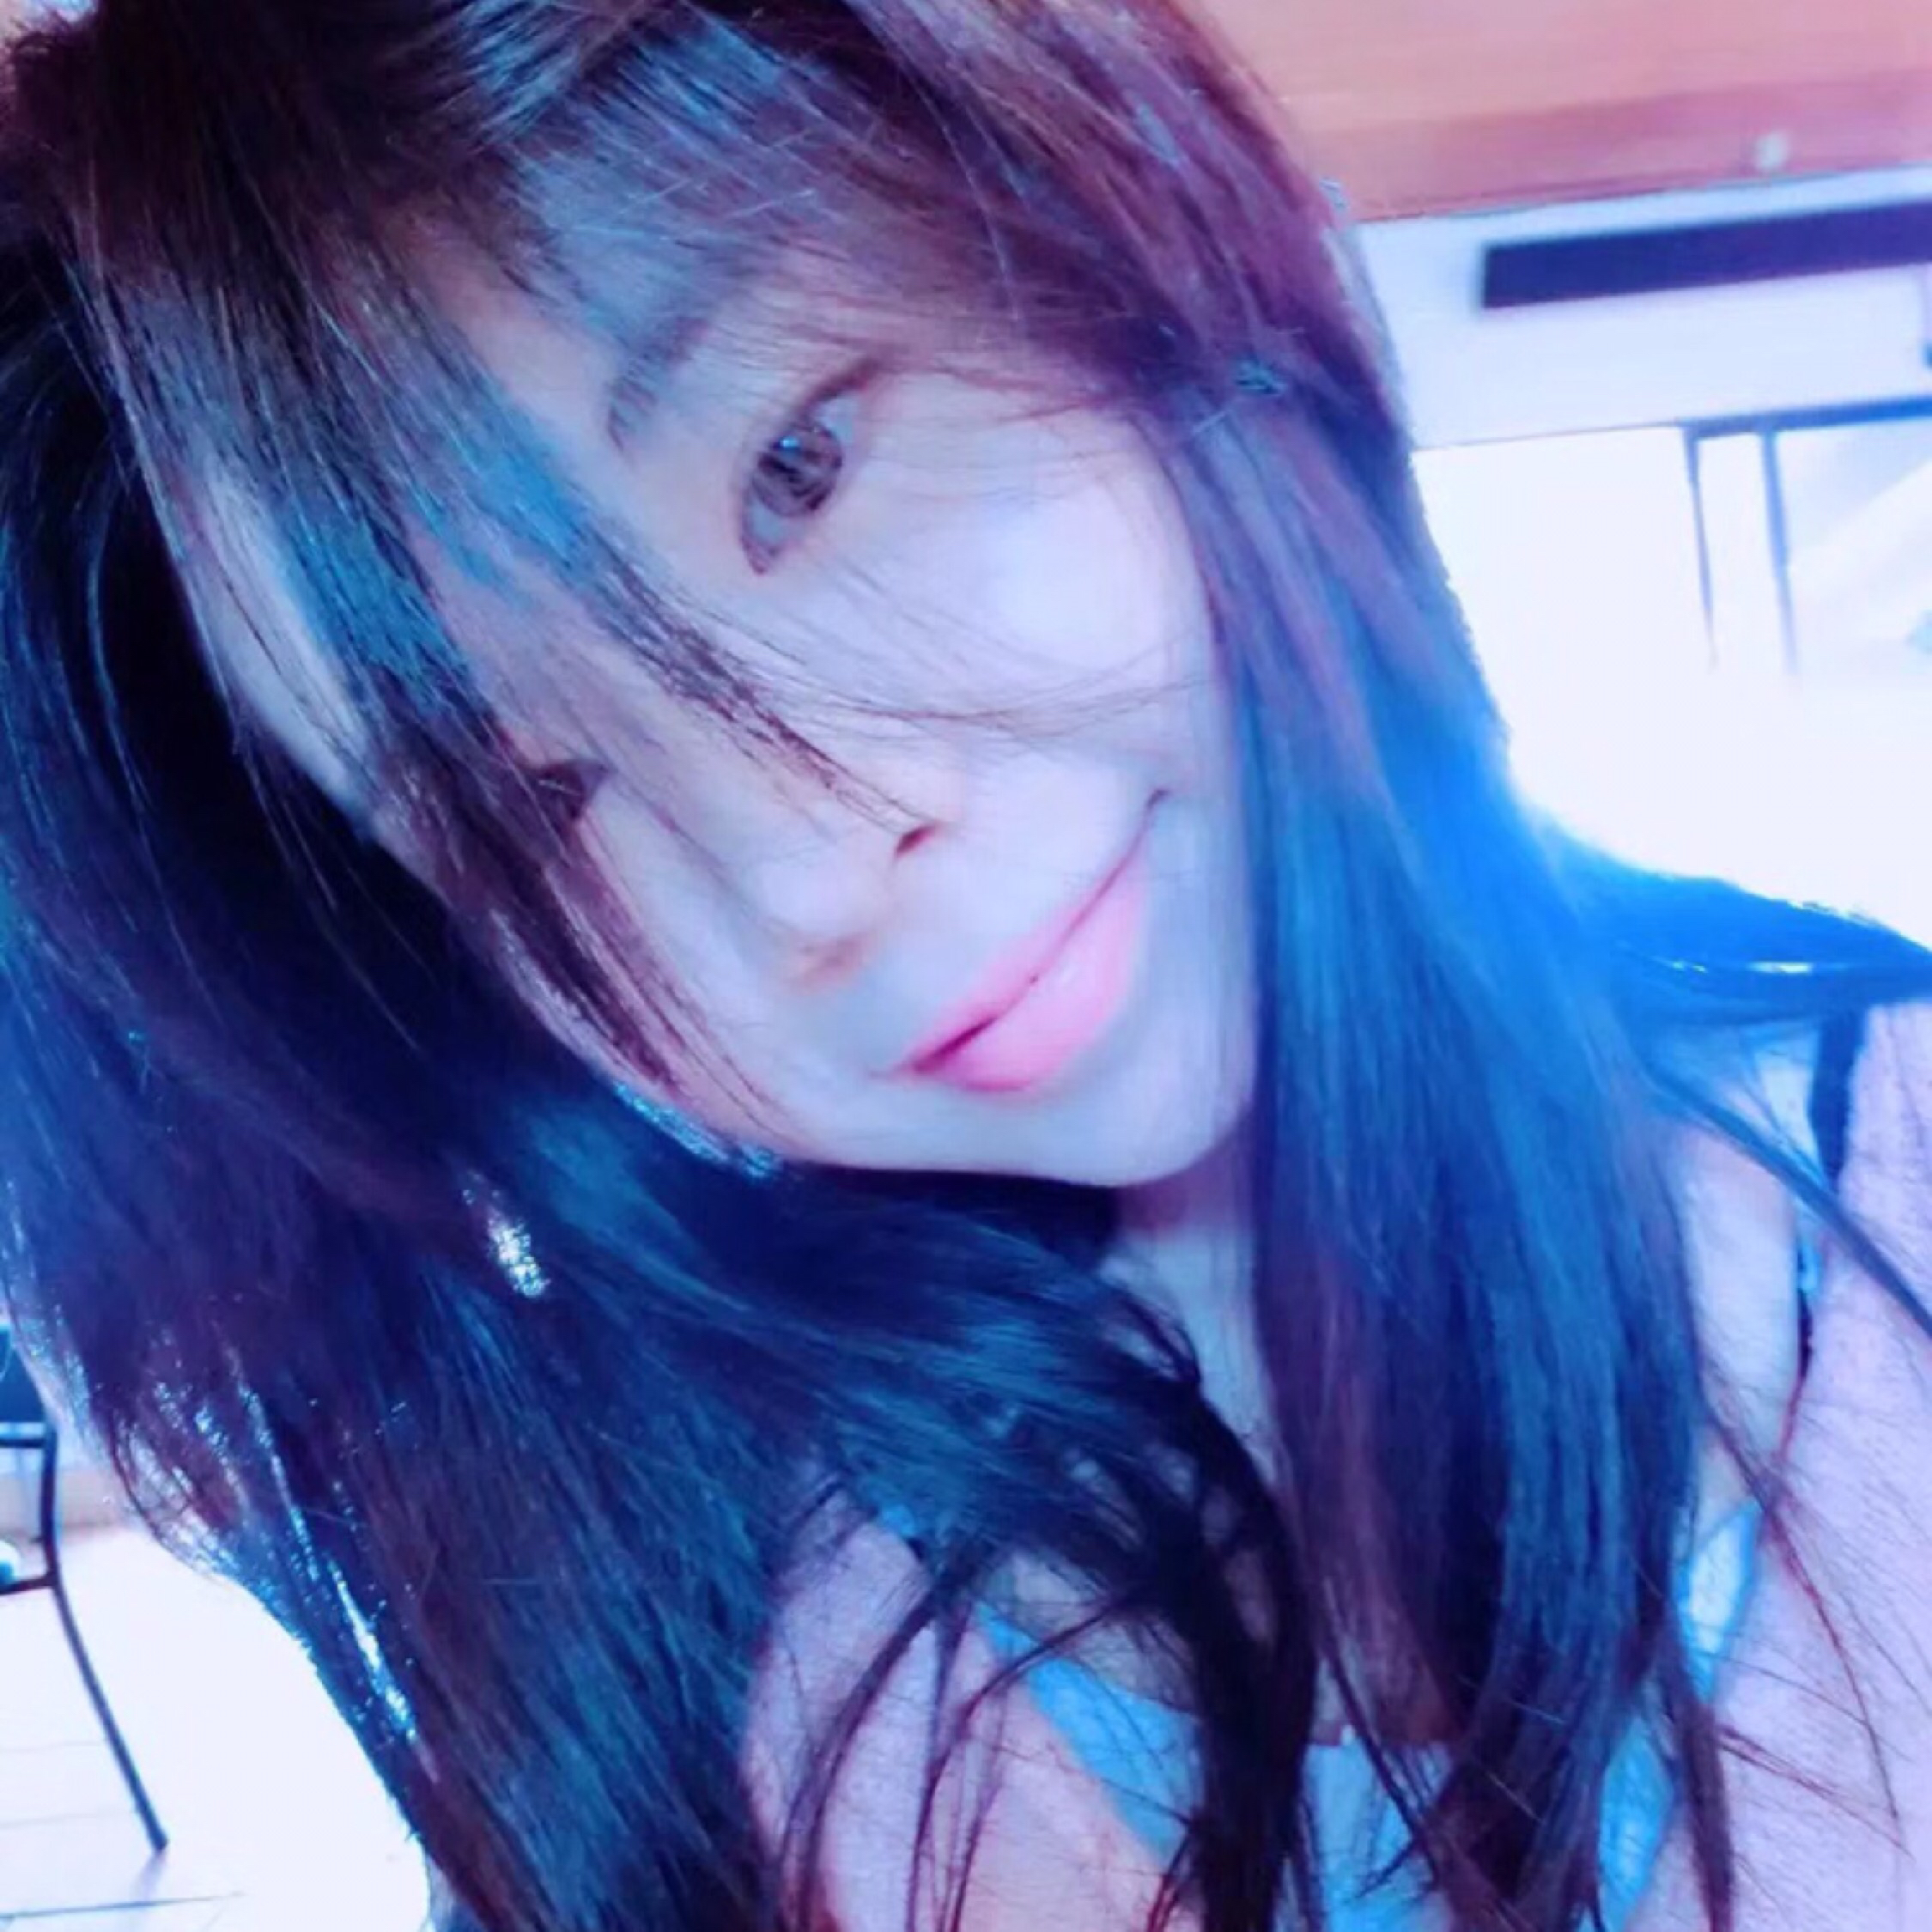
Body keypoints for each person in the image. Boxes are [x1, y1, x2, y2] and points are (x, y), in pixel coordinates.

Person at [1, 2, 1929, 1928]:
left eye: (802, 468)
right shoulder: (687, 1625)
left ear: (1125, 241)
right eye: (535, 801)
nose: (805, 869)